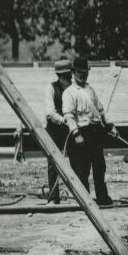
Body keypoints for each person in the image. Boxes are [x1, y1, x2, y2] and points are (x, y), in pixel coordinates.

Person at [60, 56, 113, 206]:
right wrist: (76, 133)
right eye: (80, 72)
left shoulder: (90, 90)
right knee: (82, 169)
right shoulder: (69, 92)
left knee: (99, 166)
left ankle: (102, 198)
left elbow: (100, 110)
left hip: (95, 132)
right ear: (73, 72)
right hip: (80, 133)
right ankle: (85, 201)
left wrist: (110, 125)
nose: (83, 75)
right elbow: (69, 115)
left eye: (85, 72)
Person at [43, 57, 73, 202]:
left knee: (77, 162)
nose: (68, 78)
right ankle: (54, 197)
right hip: (55, 130)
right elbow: (50, 113)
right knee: (53, 164)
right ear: (59, 76)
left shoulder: (74, 89)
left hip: (71, 130)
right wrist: (63, 120)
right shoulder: (51, 88)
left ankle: (81, 197)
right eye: (65, 75)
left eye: (69, 74)